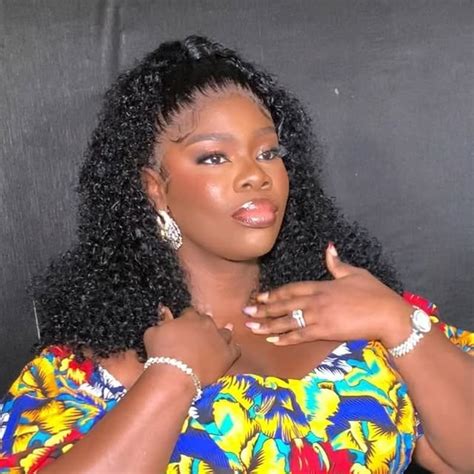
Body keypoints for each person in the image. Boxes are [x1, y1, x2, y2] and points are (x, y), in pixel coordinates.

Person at [0, 35, 472, 474]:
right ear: (154, 188)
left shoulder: (362, 320)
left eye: (268, 153)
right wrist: (171, 378)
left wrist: (397, 322)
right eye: (214, 157)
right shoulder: (91, 369)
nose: (256, 175)